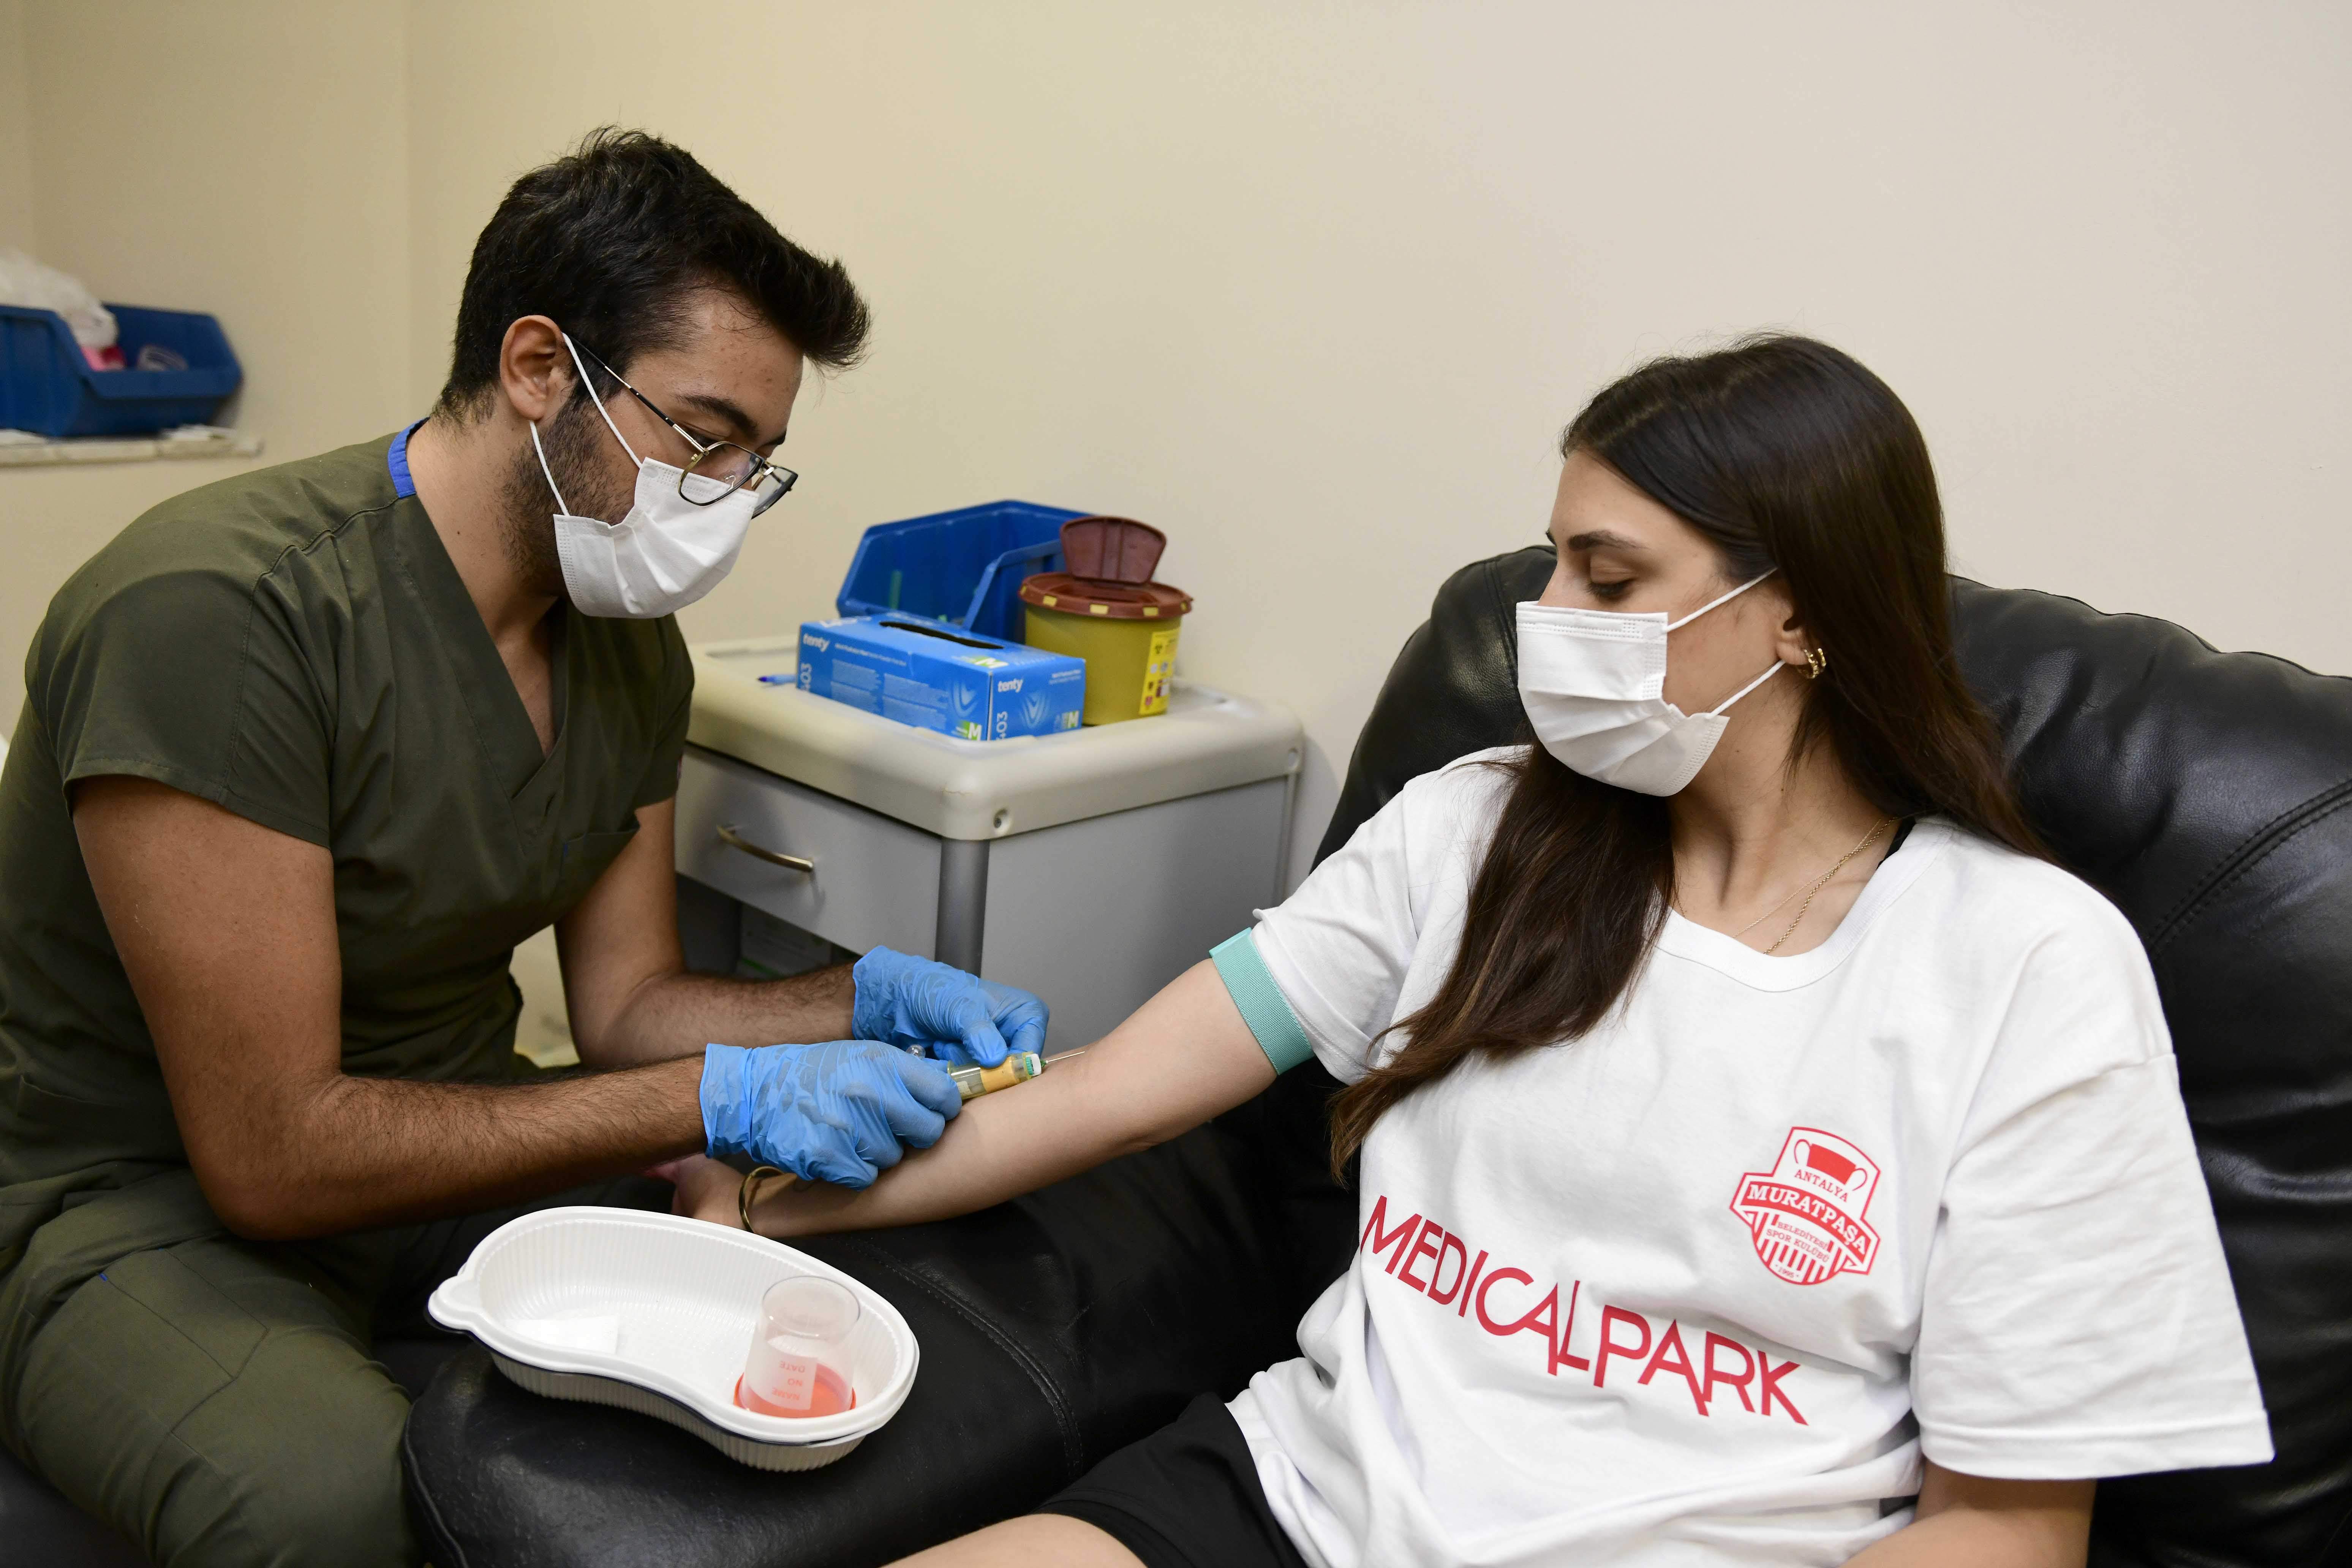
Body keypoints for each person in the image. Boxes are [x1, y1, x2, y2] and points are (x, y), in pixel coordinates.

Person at [681, 336, 2273, 1567]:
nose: (1546, 613)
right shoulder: (1473, 827)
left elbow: (2008, 1529)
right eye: (1555, 558)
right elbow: (1108, 1092)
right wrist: (762, 1202)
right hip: (1300, 1502)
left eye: (1609, 578)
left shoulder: (2026, 968)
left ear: (1801, 613)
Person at [0, 129, 1045, 1568]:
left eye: (759, 464)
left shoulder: (622, 647)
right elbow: (270, 1156)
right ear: (542, 369)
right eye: (704, 437)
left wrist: (859, 1001)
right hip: (135, 1195)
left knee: (826, 1267)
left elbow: (627, 1007)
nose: (727, 498)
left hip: (444, 1143)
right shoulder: (216, 618)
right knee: (337, 1505)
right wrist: (720, 1099)